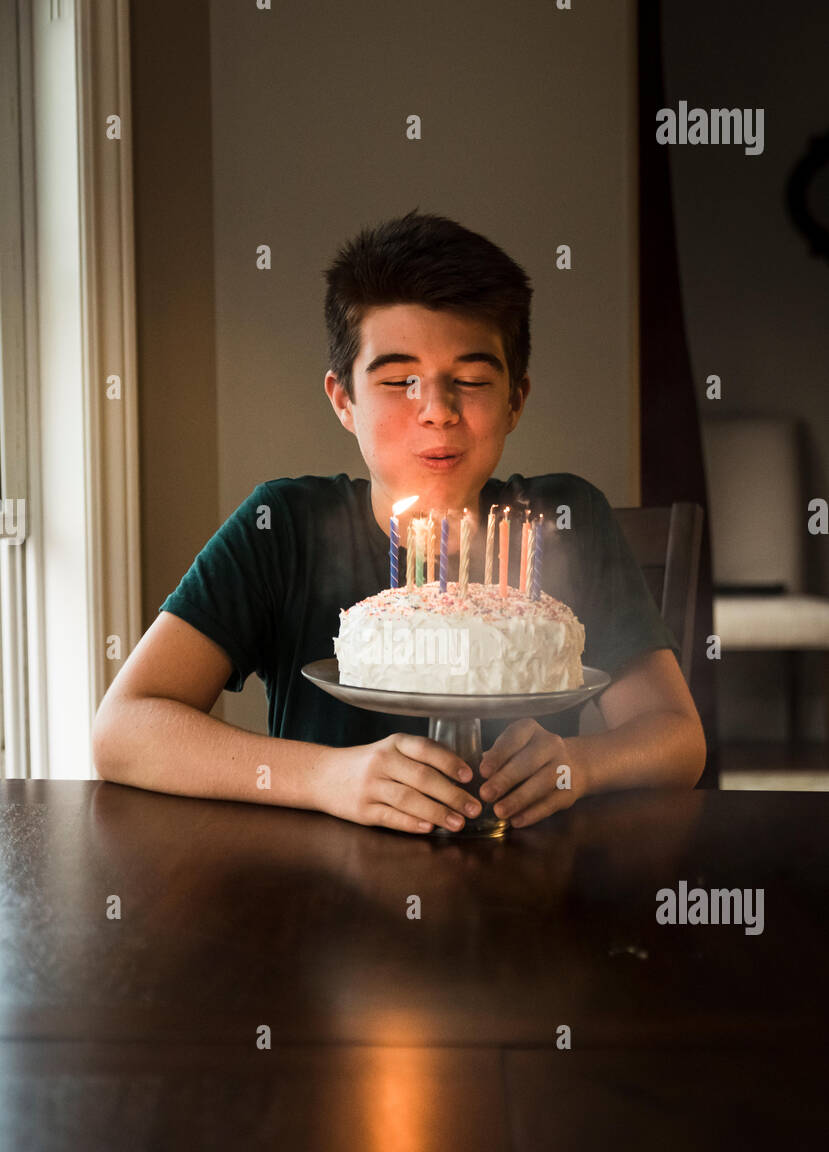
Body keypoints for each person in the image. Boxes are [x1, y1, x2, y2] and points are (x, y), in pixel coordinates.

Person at [92, 209, 706, 832]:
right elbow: (124, 727)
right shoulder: (282, 527)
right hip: (320, 898)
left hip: (524, 887)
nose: (436, 410)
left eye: (469, 379)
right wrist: (324, 776)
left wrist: (580, 763)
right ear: (343, 399)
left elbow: (677, 738)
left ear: (516, 398)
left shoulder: (563, 521)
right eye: (398, 380)